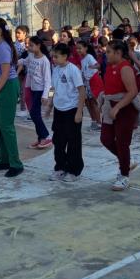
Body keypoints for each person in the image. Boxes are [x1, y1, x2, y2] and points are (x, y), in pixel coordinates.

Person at [99, 40, 140, 192]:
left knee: (122, 142)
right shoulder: (110, 66)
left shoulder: (125, 68)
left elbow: (133, 91)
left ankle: (124, 175)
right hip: (110, 105)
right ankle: (127, 161)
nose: (106, 54)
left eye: (109, 51)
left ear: (118, 53)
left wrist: (117, 107)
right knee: (106, 138)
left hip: (125, 107)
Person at [0, 18, 24, 177]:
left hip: (6, 85)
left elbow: (6, 72)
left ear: (0, 30)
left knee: (6, 126)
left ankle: (16, 163)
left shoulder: (3, 48)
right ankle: (4, 159)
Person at [45, 42, 86, 182]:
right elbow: (52, 88)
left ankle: (74, 170)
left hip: (72, 109)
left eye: (56, 57)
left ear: (65, 56)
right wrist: (49, 104)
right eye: (52, 56)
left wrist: (79, 112)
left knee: (73, 141)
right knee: (58, 140)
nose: (53, 59)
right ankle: (60, 167)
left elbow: (82, 91)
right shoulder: (55, 70)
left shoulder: (73, 70)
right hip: (59, 110)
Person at [23, 35, 52, 149]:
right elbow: (25, 61)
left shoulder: (44, 60)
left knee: (35, 114)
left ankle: (46, 136)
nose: (29, 47)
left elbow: (47, 80)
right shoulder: (30, 56)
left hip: (40, 90)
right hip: (32, 89)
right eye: (28, 45)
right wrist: (18, 61)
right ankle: (41, 138)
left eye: (31, 45)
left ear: (38, 46)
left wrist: (46, 95)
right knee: (33, 114)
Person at [76, 39, 103, 131]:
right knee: (88, 103)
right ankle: (94, 121)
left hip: (92, 81)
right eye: (77, 49)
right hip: (86, 83)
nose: (78, 50)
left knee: (93, 103)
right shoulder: (82, 59)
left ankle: (99, 123)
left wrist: (92, 67)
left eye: (80, 48)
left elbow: (98, 65)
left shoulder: (89, 57)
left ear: (86, 48)